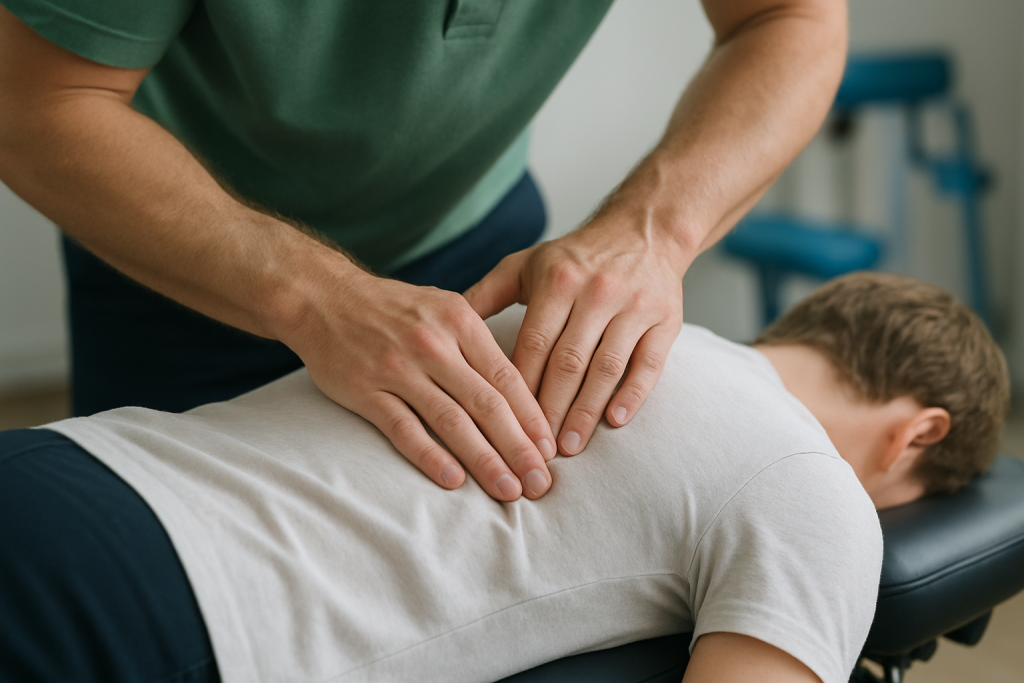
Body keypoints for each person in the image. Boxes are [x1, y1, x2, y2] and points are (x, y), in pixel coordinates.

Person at [0, 0, 849, 501]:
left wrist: (651, 232)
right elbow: (34, 104)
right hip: (186, 275)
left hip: (476, 254)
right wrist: (316, 297)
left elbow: (791, 16)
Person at [0, 272, 1009, 683]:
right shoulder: (814, 489)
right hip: (163, 612)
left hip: (69, 465)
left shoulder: (572, 323)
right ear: (917, 434)